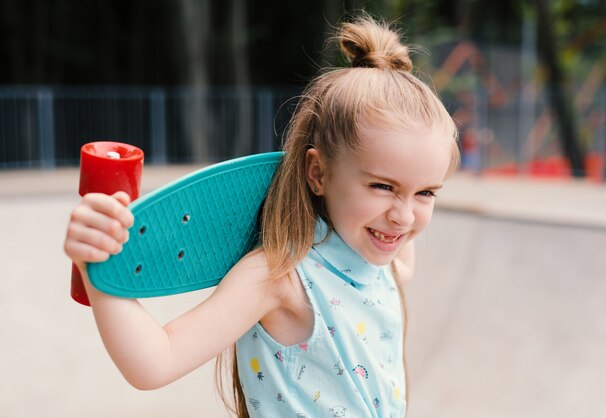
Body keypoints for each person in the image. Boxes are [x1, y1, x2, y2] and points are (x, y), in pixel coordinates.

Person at [64, 14, 460, 418]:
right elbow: (155, 362)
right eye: (383, 186)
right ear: (318, 173)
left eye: (425, 192)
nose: (404, 216)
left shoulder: (385, 264)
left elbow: (400, 244)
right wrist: (98, 261)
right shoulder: (280, 276)